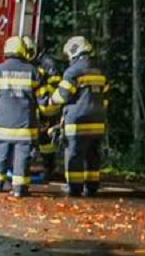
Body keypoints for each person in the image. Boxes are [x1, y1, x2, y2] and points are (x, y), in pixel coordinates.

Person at [43, 35, 108, 197]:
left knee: (74, 154)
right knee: (93, 154)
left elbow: (63, 95)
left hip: (78, 120)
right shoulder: (100, 69)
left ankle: (75, 187)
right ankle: (92, 186)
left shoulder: (73, 72)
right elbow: (105, 96)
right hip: (98, 121)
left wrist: (49, 100)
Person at [0, 36, 42, 197]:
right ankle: (19, 188)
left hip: (3, 125)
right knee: (22, 155)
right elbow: (42, 99)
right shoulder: (33, 72)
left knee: (0, 153)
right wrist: (45, 118)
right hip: (25, 125)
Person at [34, 49, 63, 182]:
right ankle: (48, 167)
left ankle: (49, 167)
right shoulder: (37, 62)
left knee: (46, 139)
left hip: (47, 106)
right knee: (43, 139)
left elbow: (55, 84)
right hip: (40, 105)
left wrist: (42, 93)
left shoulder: (48, 63)